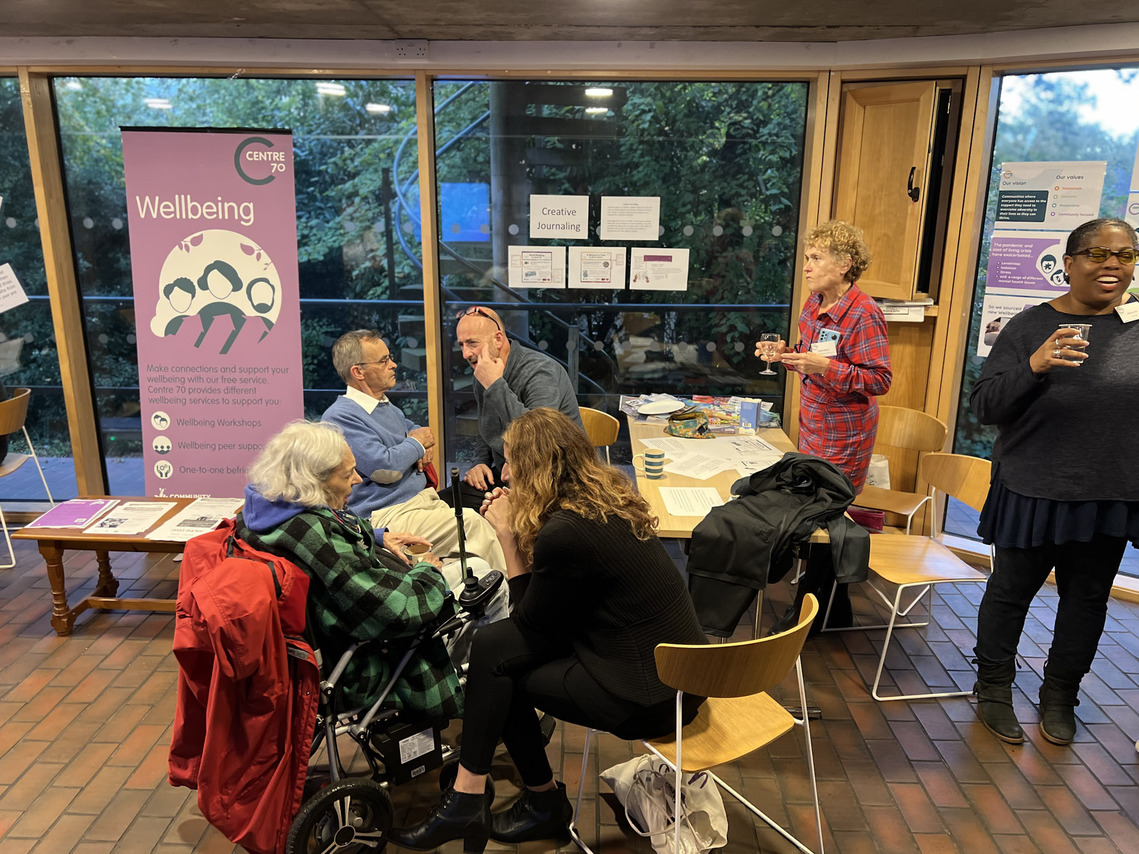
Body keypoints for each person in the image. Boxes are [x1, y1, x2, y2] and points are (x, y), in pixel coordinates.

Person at [392, 408, 707, 852]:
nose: (505, 472)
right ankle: (494, 798)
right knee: (494, 651)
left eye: (511, 462)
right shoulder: (604, 495)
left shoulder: (568, 530)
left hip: (648, 696)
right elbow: (555, 606)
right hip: (679, 675)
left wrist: (505, 534)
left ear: (534, 469)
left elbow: (530, 620)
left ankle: (510, 803)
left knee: (501, 667)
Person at [970, 217, 1139, 747]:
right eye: (1097, 253)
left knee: (1087, 599)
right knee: (1010, 592)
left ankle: (1060, 695)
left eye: (1126, 254)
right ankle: (994, 688)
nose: (1113, 264)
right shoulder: (1026, 327)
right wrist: (1036, 365)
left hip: (1109, 493)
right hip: (1033, 488)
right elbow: (985, 406)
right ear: (1068, 264)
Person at [235, 420, 469, 717]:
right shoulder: (315, 537)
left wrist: (379, 536)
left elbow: (332, 524)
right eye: (348, 474)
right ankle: (479, 705)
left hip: (325, 647)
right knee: (481, 577)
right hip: (361, 666)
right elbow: (398, 612)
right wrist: (428, 572)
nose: (358, 479)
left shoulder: (261, 514)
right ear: (315, 481)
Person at [756, 219, 892, 632]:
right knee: (821, 518)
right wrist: (785, 352)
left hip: (846, 436)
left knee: (822, 517)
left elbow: (879, 379)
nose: (807, 267)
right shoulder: (813, 305)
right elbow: (810, 354)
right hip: (813, 427)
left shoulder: (863, 313)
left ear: (845, 264)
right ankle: (834, 609)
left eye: (816, 258)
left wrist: (827, 368)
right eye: (807, 258)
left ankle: (808, 615)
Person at [321, 329, 507, 575]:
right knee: (473, 525)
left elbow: (420, 433)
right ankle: (516, 601)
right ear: (358, 372)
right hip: (388, 514)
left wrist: (417, 444)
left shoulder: (384, 406)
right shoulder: (341, 417)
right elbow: (385, 468)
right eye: (384, 360)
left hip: (420, 504)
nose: (394, 364)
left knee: (479, 545)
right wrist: (416, 446)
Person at [454, 306, 584, 504]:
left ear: (498, 339)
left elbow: (539, 437)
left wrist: (494, 385)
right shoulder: (483, 371)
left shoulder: (539, 371)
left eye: (472, 343)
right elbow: (485, 426)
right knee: (447, 502)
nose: (465, 353)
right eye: (462, 344)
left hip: (555, 480)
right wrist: (480, 462)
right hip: (508, 476)